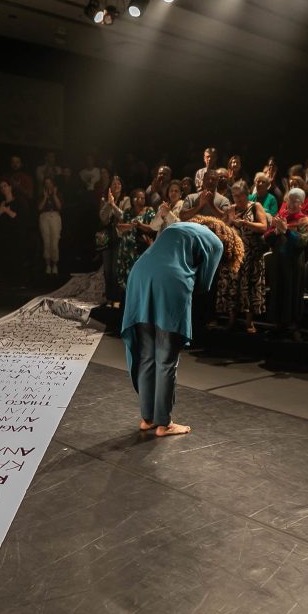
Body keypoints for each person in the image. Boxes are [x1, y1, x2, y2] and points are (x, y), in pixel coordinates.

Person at [121, 217, 242, 436]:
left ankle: (147, 418)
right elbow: (204, 284)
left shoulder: (178, 226)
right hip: (170, 281)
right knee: (166, 359)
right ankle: (164, 423)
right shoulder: (216, 242)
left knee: (147, 355)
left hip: (139, 276)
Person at [217, 181, 268, 333]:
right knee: (232, 287)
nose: (237, 199)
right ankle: (231, 320)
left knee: (250, 288)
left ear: (247, 194)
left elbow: (264, 227)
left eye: (240, 195)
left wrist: (246, 223)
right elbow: (222, 229)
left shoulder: (255, 206)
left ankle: (248, 322)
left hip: (251, 255)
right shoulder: (231, 209)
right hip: (234, 256)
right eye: (234, 196)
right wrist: (229, 221)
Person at [265, 188, 308, 339]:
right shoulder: (280, 216)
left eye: (295, 201)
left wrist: (286, 231)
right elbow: (266, 237)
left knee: (292, 291)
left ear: (302, 203)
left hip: (294, 262)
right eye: (289, 200)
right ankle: (277, 323)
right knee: (278, 289)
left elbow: (302, 241)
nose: (291, 203)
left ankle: (292, 325)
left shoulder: (305, 220)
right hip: (278, 260)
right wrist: (276, 232)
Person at [98, 176, 131, 305]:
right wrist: (108, 203)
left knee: (116, 269)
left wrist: (114, 206)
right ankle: (109, 296)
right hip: (106, 236)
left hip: (119, 236)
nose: (116, 186)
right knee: (107, 270)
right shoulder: (104, 200)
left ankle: (117, 298)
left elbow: (125, 216)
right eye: (113, 184)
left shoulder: (126, 200)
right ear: (109, 187)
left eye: (118, 184)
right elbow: (102, 218)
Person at [115, 189, 156, 290]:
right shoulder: (128, 211)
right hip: (126, 248)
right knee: (126, 276)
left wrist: (140, 225)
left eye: (142, 198)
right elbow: (119, 226)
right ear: (132, 199)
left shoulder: (149, 211)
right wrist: (131, 226)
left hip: (141, 248)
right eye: (137, 198)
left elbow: (153, 228)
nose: (140, 200)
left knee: (140, 275)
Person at [37, 177, 62, 275]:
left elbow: (60, 207)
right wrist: (45, 197)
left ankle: (55, 264)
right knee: (46, 241)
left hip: (55, 216)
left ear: (53, 184)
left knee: (55, 241)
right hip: (44, 217)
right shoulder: (41, 194)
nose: (48, 185)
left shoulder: (58, 194)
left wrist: (54, 195)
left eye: (50, 183)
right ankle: (48, 265)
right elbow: (39, 208)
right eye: (46, 183)